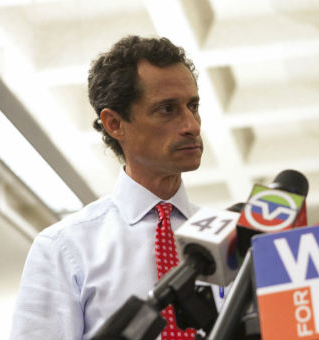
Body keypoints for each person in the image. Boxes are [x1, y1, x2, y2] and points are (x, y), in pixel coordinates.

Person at [11, 36, 204, 340]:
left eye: (193, 105)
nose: (191, 124)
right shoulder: (63, 248)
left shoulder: (238, 239)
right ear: (114, 123)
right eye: (167, 109)